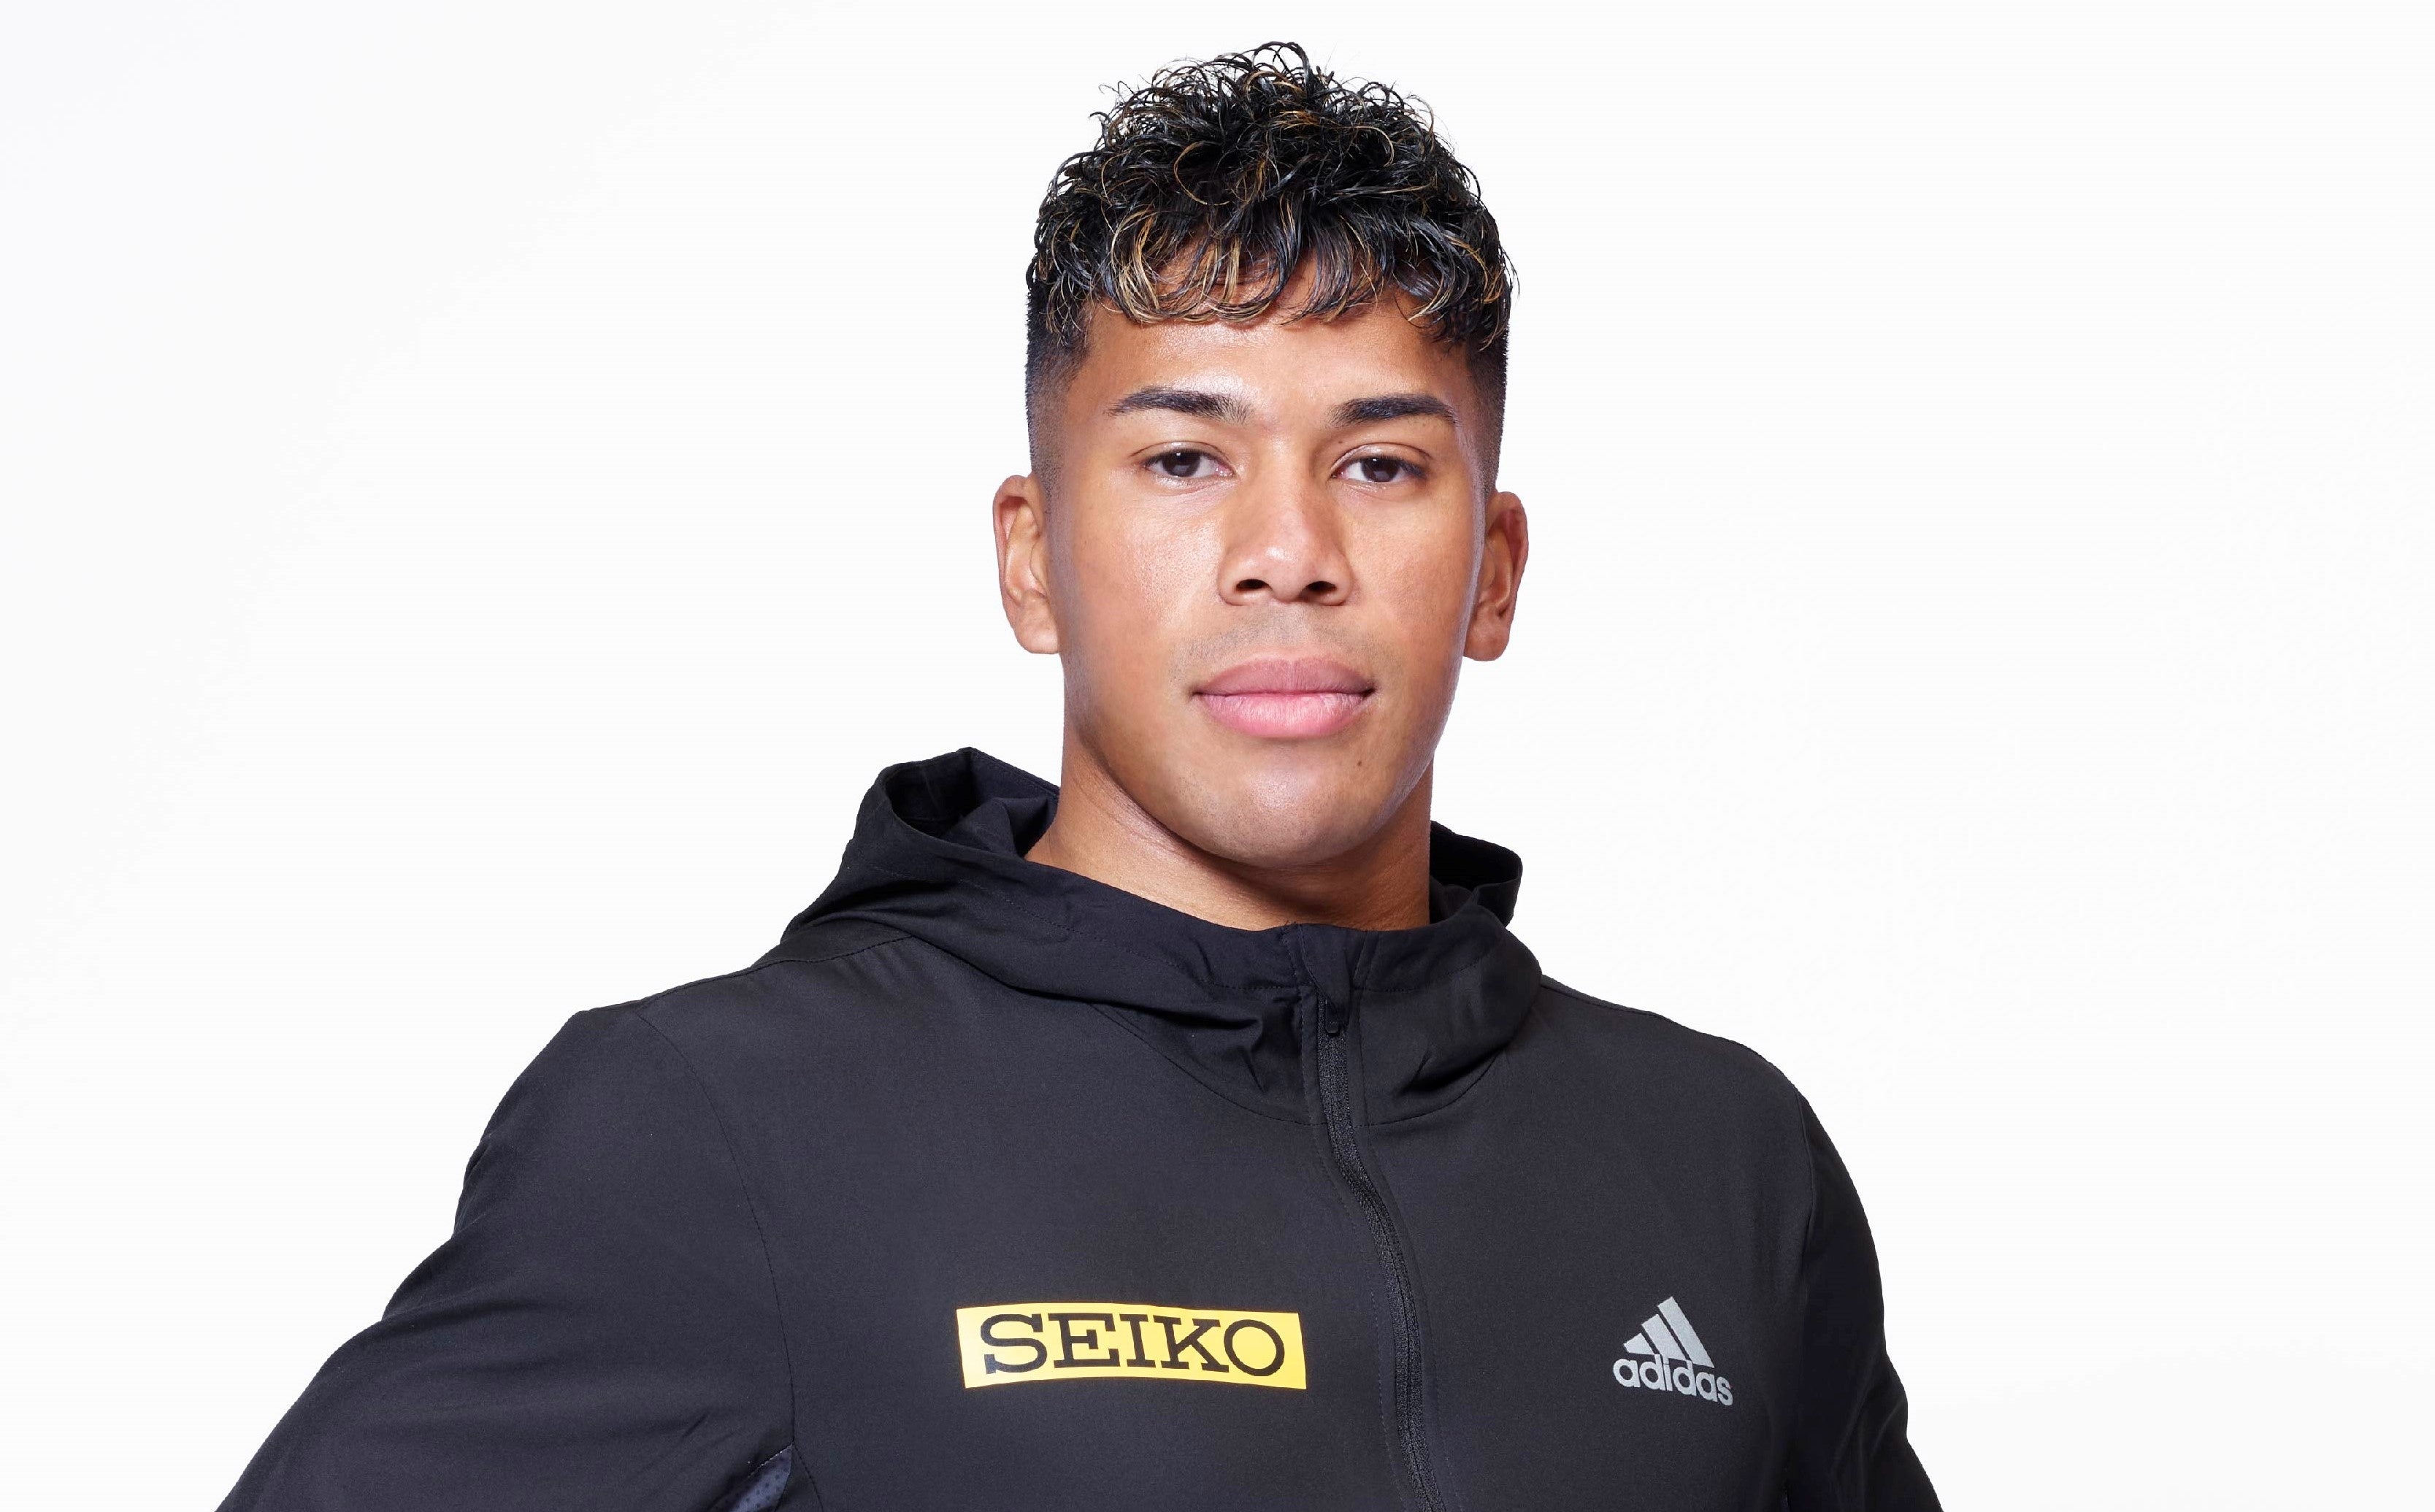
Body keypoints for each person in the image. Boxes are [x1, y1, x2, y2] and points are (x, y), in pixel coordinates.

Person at [218, 42, 1938, 1512]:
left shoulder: (1723, 1163)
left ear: (1492, 572)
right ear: (1033, 559)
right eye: (1185, 458)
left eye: (1380, 464)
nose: (1287, 550)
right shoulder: (726, 1130)